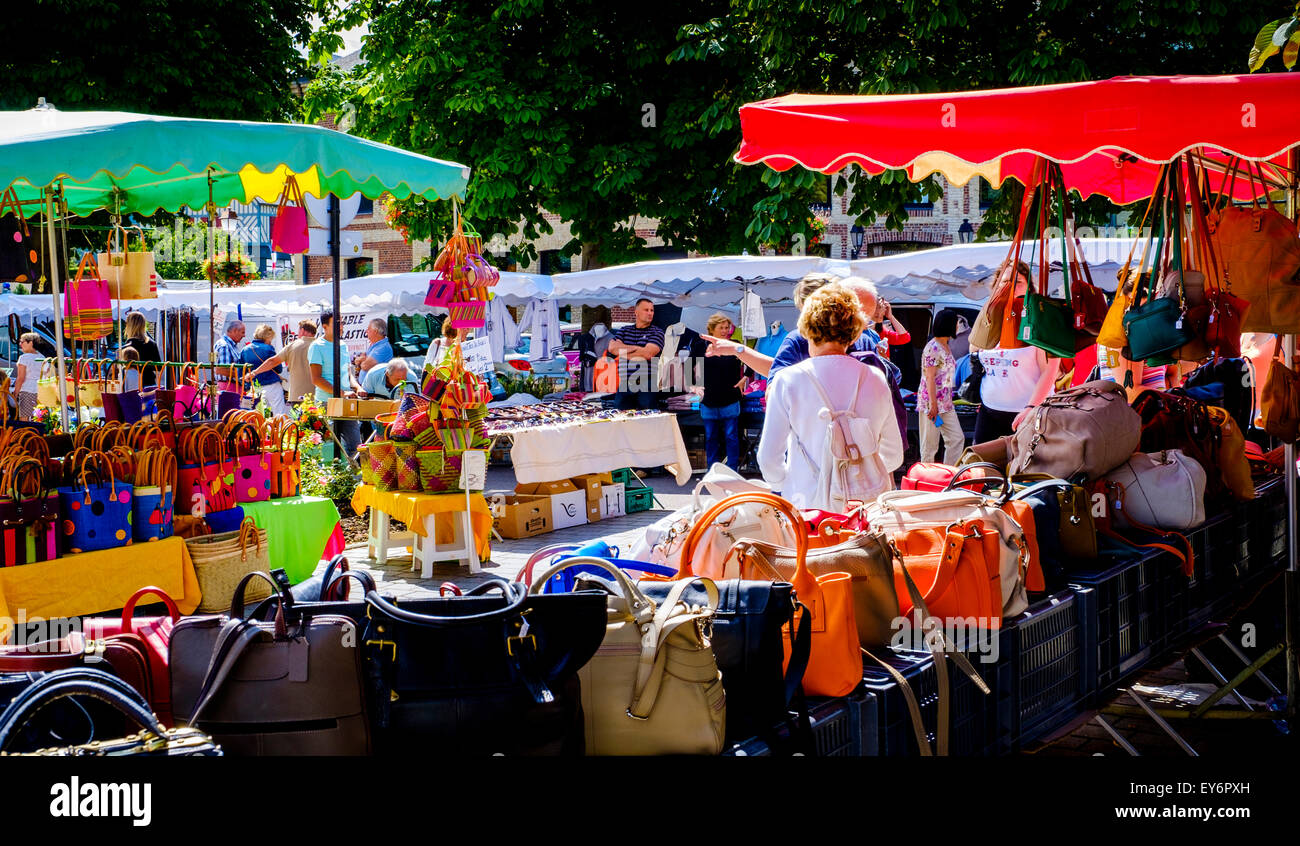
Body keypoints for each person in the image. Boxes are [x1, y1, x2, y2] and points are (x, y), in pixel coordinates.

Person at [758, 284, 903, 509]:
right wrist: (862, 475)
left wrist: (791, 482)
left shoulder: (787, 380)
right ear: (854, 331)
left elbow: (769, 459)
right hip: (864, 509)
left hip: (806, 508)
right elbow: (893, 455)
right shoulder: (875, 378)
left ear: (807, 327)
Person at [974, 260, 1061, 443]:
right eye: (1004, 282)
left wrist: (1031, 407)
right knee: (982, 468)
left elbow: (1050, 370)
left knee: (1027, 469)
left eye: (1018, 282)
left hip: (1030, 413)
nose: (1010, 287)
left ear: (1029, 287)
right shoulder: (990, 318)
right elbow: (974, 353)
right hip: (989, 410)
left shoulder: (1040, 319)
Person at [691, 313, 748, 471]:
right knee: (710, 438)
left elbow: (751, 361)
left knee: (731, 437)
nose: (725, 331)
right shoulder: (701, 346)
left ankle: (732, 470)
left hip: (730, 398)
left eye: (727, 327)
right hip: (708, 399)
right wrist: (693, 386)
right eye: (721, 327)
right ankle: (712, 471)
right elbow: (689, 365)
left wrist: (745, 378)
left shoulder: (734, 344)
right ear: (712, 329)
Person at [309, 310, 360, 458]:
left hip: (345, 402)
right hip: (326, 403)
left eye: (342, 323)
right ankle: (330, 478)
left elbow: (348, 372)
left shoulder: (343, 345)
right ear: (324, 326)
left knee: (355, 444)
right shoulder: (317, 346)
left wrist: (357, 386)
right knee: (328, 447)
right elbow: (316, 379)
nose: (342, 326)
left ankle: (355, 479)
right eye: (337, 323)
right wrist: (342, 393)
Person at [918, 309, 965, 464]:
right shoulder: (933, 347)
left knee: (956, 439)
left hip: (945, 403)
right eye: (956, 323)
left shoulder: (945, 345)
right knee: (929, 446)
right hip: (932, 404)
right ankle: (926, 480)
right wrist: (933, 406)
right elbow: (930, 377)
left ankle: (949, 475)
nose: (958, 326)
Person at [606, 298, 664, 410]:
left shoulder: (657, 332)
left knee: (646, 417)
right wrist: (637, 349)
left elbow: (648, 354)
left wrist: (622, 352)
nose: (650, 313)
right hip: (625, 381)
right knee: (621, 416)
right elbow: (612, 348)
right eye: (646, 310)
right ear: (636, 312)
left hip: (647, 382)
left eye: (652, 310)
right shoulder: (624, 330)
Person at [245, 320, 315, 405]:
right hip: (317, 395)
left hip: (297, 394)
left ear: (302, 330)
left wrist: (254, 372)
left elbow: (272, 361)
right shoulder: (320, 345)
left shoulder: (293, 346)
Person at [241, 324, 290, 417]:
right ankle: (280, 431)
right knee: (279, 413)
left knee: (256, 414)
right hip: (272, 386)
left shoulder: (245, 350)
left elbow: (241, 371)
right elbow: (278, 368)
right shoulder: (269, 348)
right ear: (267, 336)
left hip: (254, 387)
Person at [121, 311, 162, 389]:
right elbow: (159, 366)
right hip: (149, 383)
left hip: (133, 384)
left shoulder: (128, 345)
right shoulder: (151, 343)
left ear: (130, 325)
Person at [11, 332, 43, 421]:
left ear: (31, 343)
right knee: (38, 418)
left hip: (27, 391)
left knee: (24, 419)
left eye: (22, 342)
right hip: (40, 391)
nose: (20, 344)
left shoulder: (24, 357)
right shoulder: (42, 357)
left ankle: (26, 435)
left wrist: (15, 393)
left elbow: (21, 378)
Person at [356, 318, 394, 385]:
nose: (366, 331)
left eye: (369, 329)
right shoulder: (374, 345)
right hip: (367, 388)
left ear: (375, 331)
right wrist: (364, 359)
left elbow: (365, 366)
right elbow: (359, 361)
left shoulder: (383, 347)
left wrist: (362, 359)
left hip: (375, 391)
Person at [214, 319, 246, 388]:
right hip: (228, 387)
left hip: (230, 386)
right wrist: (242, 375)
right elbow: (220, 369)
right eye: (242, 332)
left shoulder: (230, 345)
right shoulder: (224, 345)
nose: (244, 336)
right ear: (234, 331)